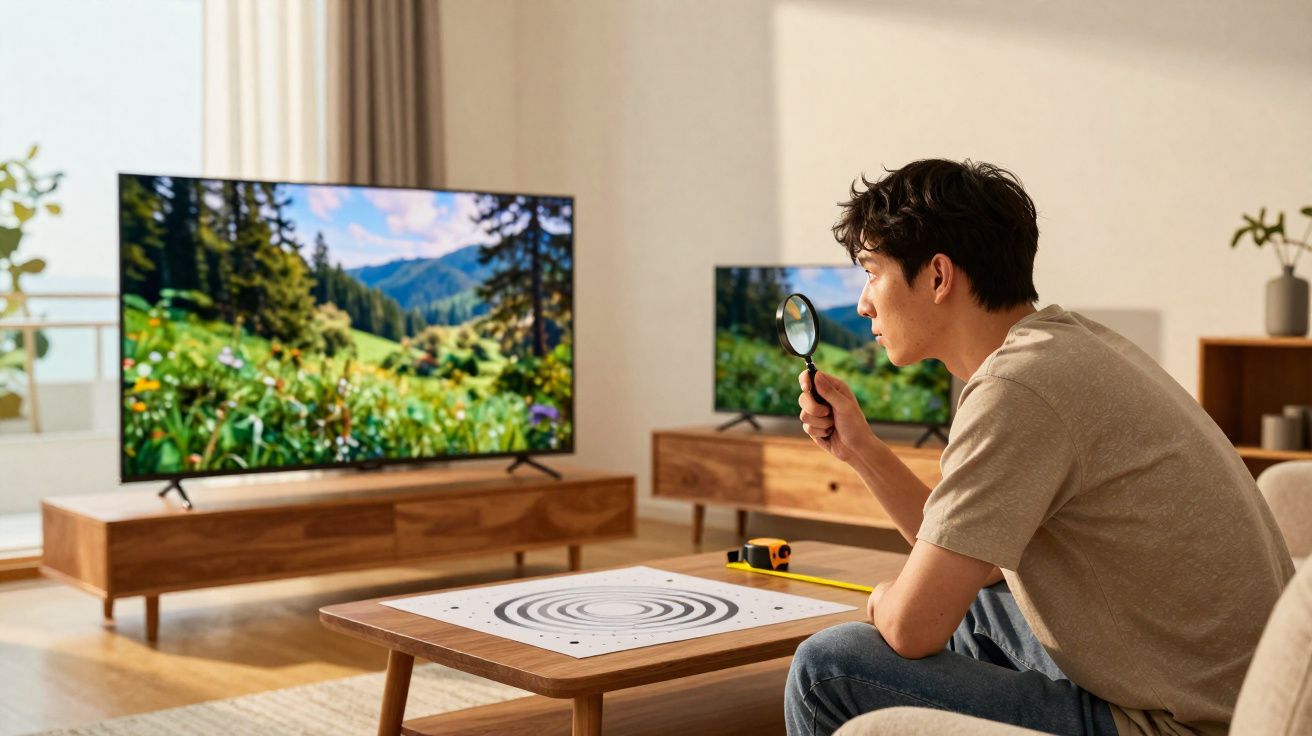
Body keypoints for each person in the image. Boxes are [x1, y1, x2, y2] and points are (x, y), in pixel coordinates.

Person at [785, 159, 1294, 736]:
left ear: (938, 276)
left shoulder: (1016, 390)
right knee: (974, 607)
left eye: (872, 273)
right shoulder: (1065, 347)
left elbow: (911, 627)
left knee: (828, 668)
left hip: (1183, 723)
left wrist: (884, 600)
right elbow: (965, 562)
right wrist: (864, 451)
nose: (862, 304)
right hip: (1224, 691)